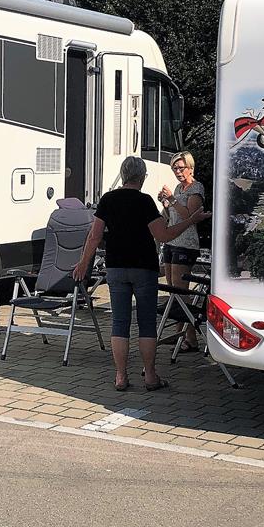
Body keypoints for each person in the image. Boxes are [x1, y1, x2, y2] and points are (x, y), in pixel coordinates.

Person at [72, 155, 208, 392]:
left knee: (119, 323)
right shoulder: (145, 201)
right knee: (146, 323)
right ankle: (150, 376)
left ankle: (120, 376)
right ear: (142, 177)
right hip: (144, 267)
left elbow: (94, 236)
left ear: (124, 175)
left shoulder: (108, 199)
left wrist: (84, 263)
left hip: (116, 267)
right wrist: (191, 221)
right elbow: (163, 235)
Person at [157, 150, 205, 351]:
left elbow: (190, 217)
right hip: (172, 240)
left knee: (180, 291)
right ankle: (181, 334)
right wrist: (165, 203)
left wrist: (173, 199)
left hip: (186, 244)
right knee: (172, 290)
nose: (177, 172)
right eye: (174, 168)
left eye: (180, 168)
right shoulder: (178, 188)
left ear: (190, 168)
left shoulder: (196, 188)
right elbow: (173, 216)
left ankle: (189, 338)